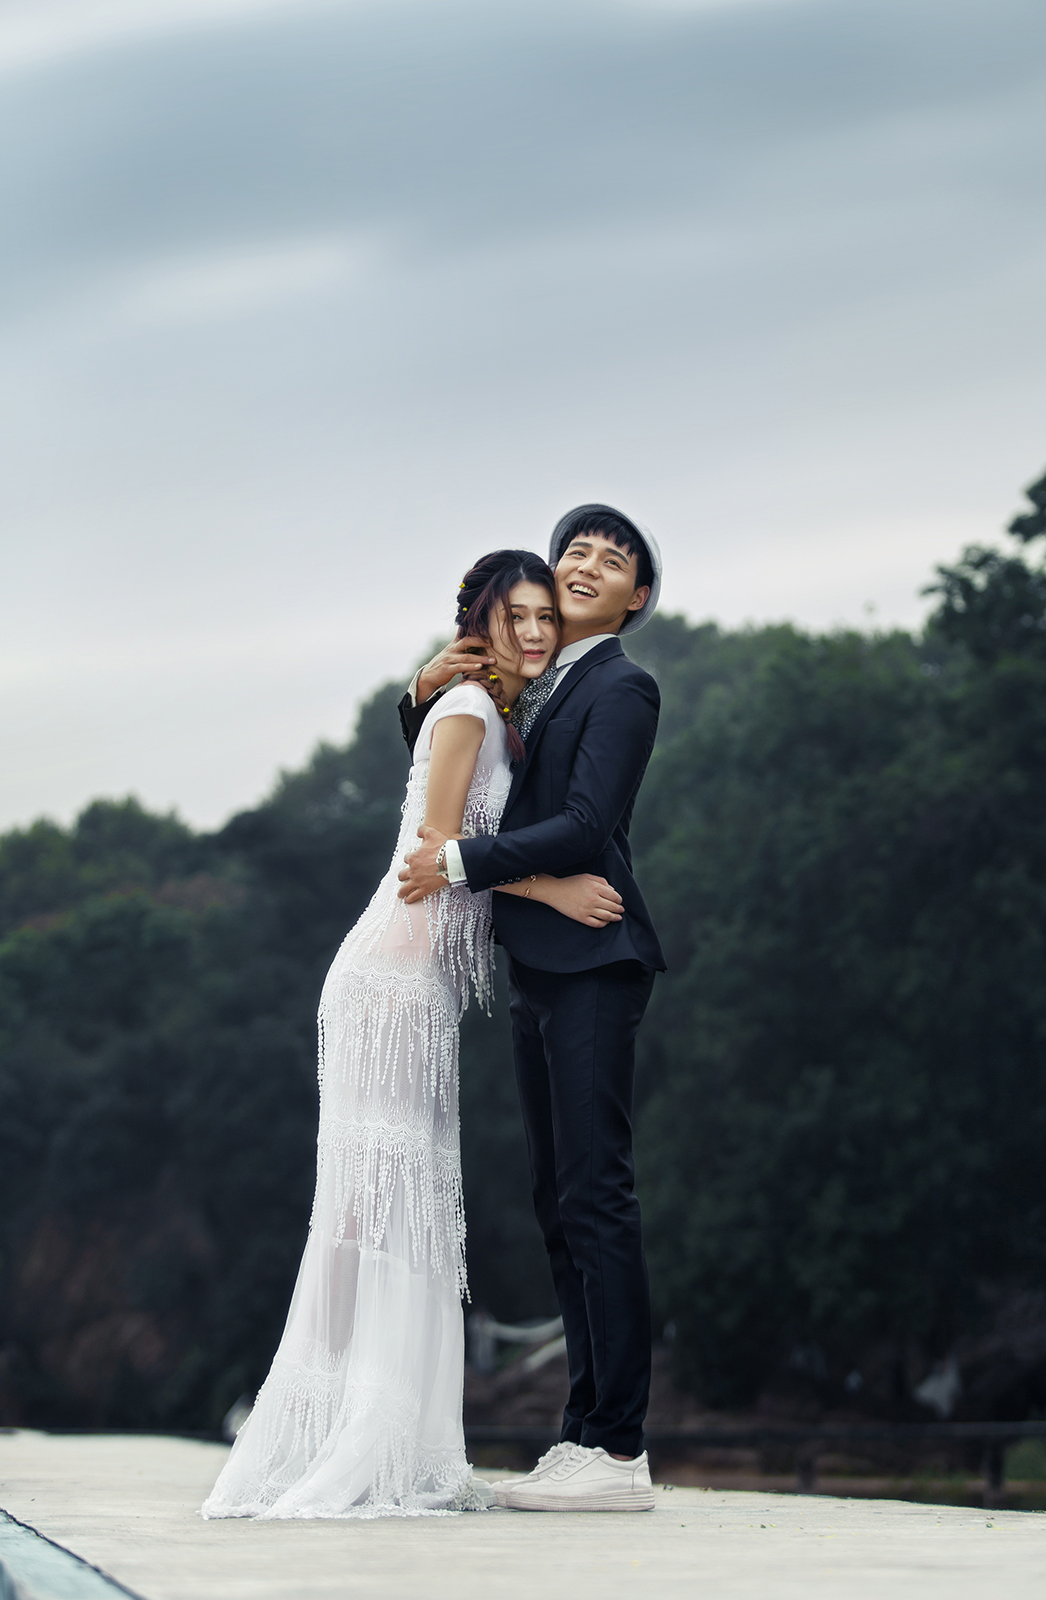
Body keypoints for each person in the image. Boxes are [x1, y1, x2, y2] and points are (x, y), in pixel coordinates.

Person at [201, 550, 618, 1522]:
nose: (534, 631)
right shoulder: (469, 708)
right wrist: (554, 887)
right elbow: (433, 853)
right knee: (378, 1218)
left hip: (415, 987)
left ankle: (384, 1442)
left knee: (397, 1214)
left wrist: (421, 693)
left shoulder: (483, 712)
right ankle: (357, 1446)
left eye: (545, 616)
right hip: (389, 981)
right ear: (480, 622)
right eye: (514, 615)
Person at [397, 504, 666, 1512]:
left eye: (613, 559)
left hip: (596, 957)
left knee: (597, 1197)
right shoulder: (535, 687)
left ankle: (620, 1449)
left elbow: (587, 823)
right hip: (539, 964)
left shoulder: (622, 686)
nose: (588, 564)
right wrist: (418, 696)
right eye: (575, 552)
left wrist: (461, 863)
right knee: (558, 1204)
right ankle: (582, 1433)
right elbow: (457, 771)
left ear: (636, 597)